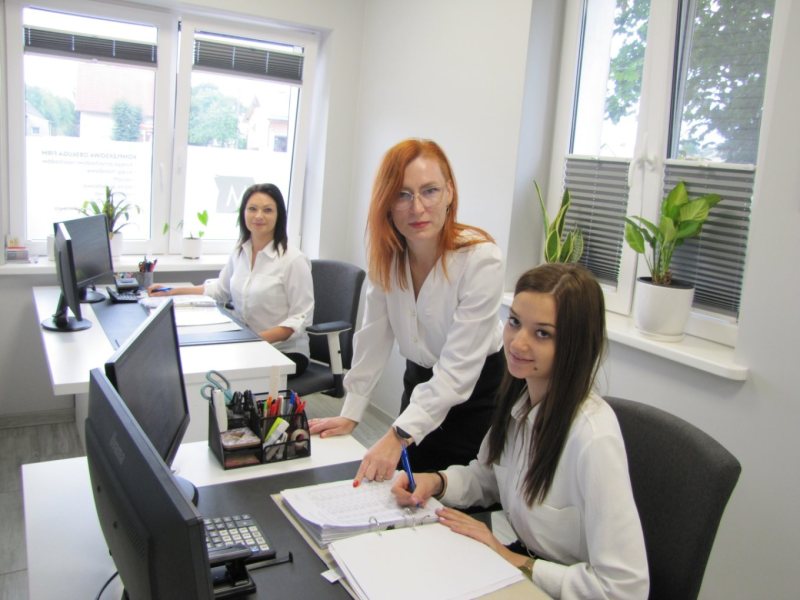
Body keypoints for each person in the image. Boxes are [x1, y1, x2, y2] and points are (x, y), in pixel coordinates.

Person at [392, 263, 649, 599]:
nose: (517, 343)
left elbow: (625, 589)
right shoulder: (520, 400)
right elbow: (487, 477)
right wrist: (436, 482)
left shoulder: (593, 439)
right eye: (514, 322)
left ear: (575, 344)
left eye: (542, 333)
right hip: (521, 565)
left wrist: (512, 559)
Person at [309, 138, 505, 482]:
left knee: (456, 497)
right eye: (402, 195)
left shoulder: (480, 260)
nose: (417, 208)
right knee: (405, 488)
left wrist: (397, 435)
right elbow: (372, 339)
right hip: (419, 385)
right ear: (387, 202)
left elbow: (457, 372)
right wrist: (351, 411)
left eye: (430, 191)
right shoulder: (389, 258)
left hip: (475, 396)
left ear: (449, 193)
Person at [149, 183, 314, 376]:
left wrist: (252, 339)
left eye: (267, 210)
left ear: (279, 216)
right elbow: (220, 290)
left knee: (212, 374)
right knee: (193, 362)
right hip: (247, 345)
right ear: (243, 213)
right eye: (252, 209)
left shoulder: (293, 260)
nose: (258, 216)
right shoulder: (240, 251)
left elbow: (300, 318)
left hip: (284, 351)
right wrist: (171, 291)